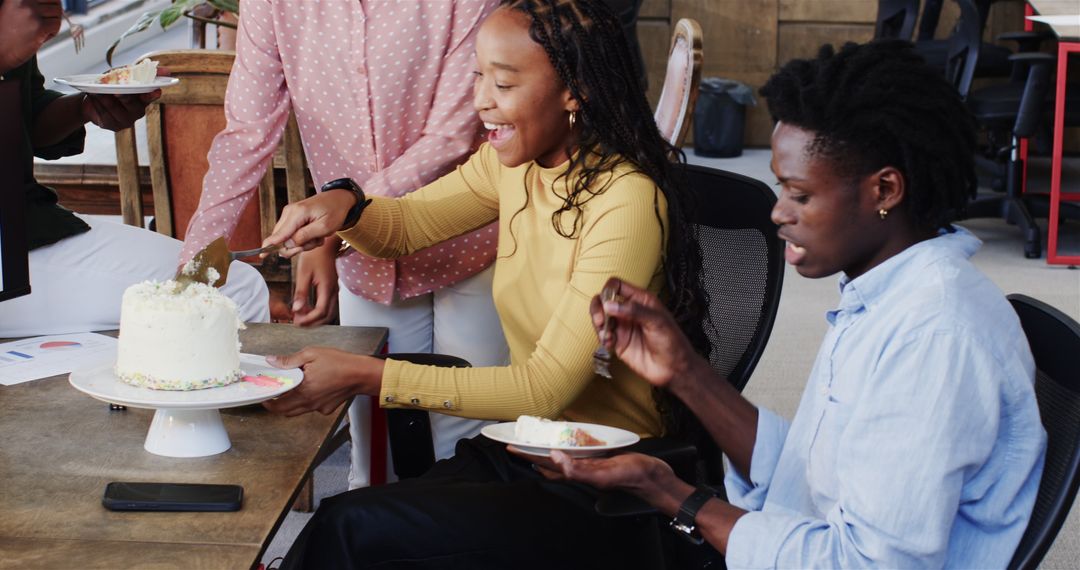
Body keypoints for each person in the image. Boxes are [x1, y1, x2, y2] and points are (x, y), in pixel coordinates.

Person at [526, 41, 1047, 569]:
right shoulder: (892, 293)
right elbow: (809, 471)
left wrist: (675, 496)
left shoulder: (935, 336)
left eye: (800, 195)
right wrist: (684, 369)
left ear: (884, 189)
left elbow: (866, 565)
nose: (778, 213)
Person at [257, 0, 708, 566]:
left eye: (504, 83)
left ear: (576, 90)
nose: (480, 102)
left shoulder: (626, 202)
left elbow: (543, 389)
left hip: (607, 477)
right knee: (347, 524)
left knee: (351, 527)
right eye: (477, 76)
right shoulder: (512, 165)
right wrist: (346, 206)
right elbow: (404, 227)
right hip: (530, 448)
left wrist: (367, 376)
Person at [178, 0, 508, 489]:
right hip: (363, 252)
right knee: (375, 456)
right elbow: (247, 135)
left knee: (462, 441)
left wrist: (337, 217)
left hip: (471, 241)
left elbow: (452, 135)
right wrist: (192, 270)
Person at [0, 0, 269, 337]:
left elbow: (26, 121)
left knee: (228, 284)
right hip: (10, 251)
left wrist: (88, 107)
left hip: (22, 228)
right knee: (234, 292)